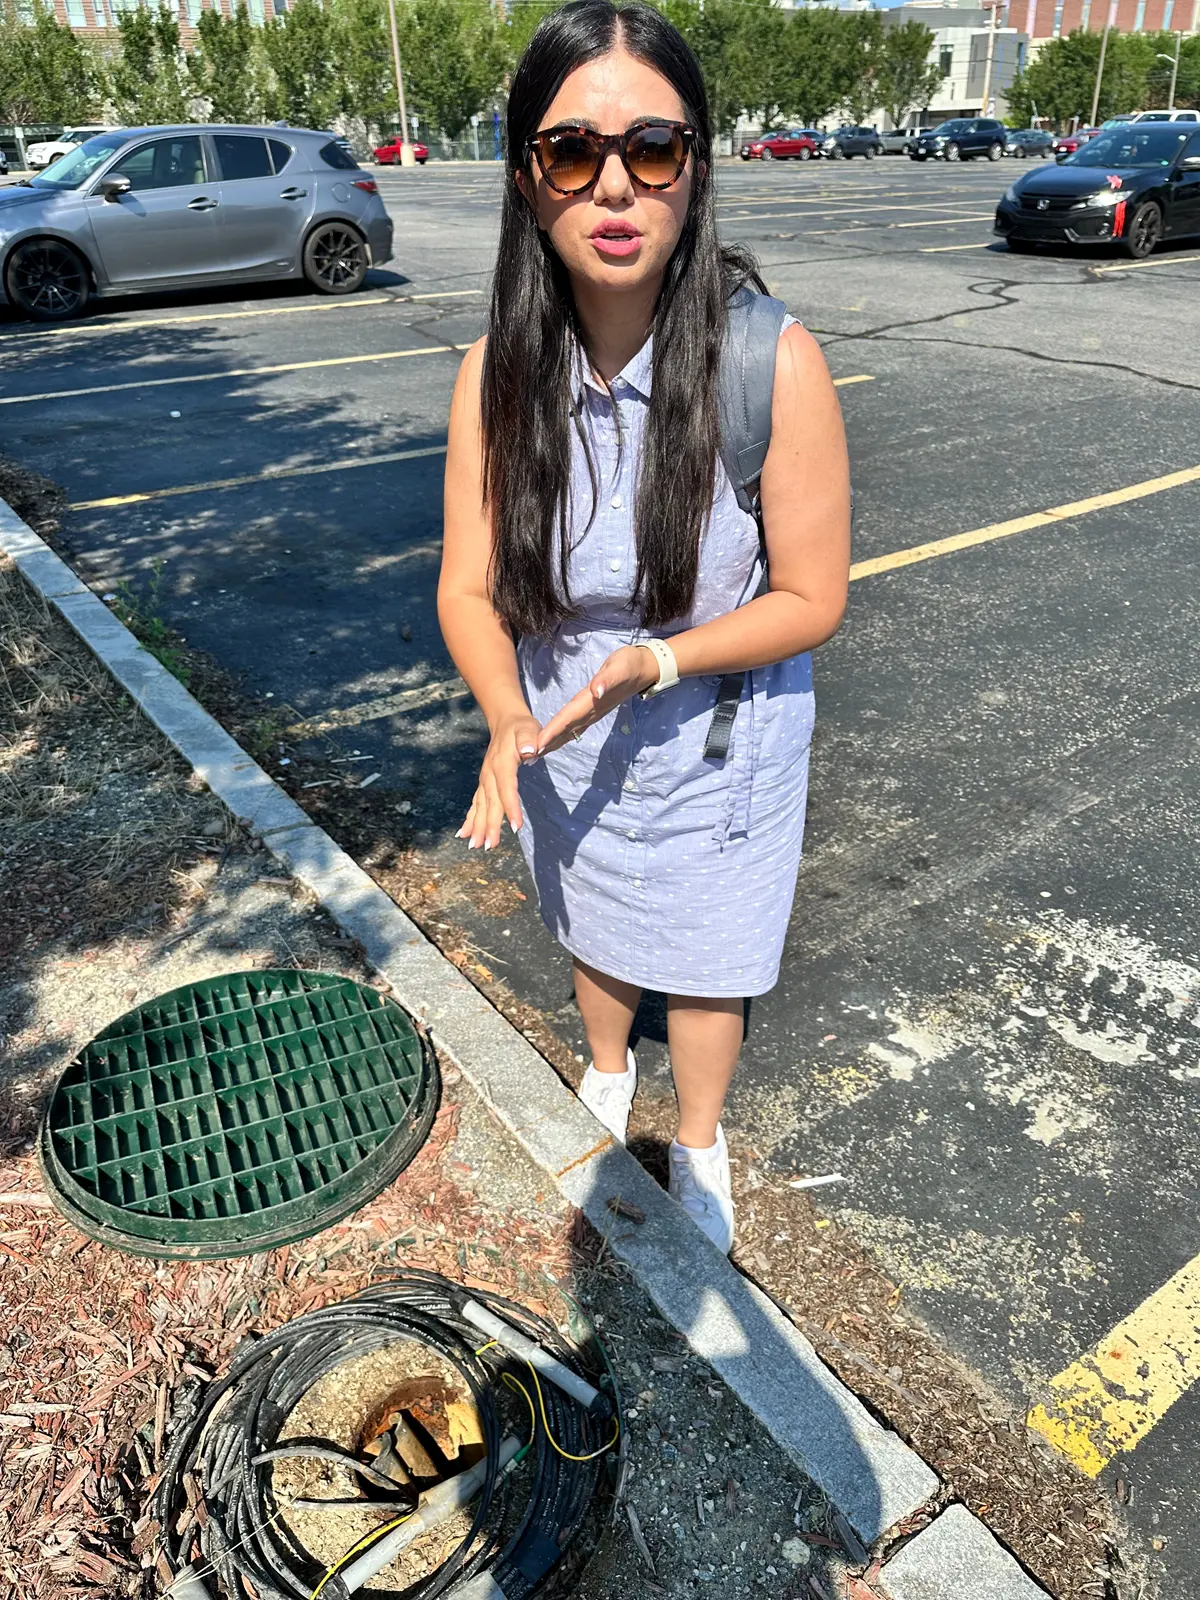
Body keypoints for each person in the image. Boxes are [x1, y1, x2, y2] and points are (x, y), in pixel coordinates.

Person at [438, 0, 850, 1253]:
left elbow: (811, 596)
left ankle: (703, 1138)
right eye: (572, 152)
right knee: (596, 916)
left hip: (723, 736)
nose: (613, 185)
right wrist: (512, 715)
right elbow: (467, 587)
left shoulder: (768, 362)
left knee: (711, 951)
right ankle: (608, 1074)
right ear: (528, 177)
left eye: (651, 149)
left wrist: (656, 658)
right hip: (571, 722)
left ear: (696, 166)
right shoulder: (495, 378)